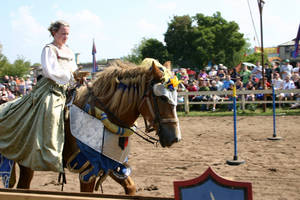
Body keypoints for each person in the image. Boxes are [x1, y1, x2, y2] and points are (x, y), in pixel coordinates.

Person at [0, 20, 78, 172]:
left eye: (68, 34)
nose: (66, 36)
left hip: (69, 87)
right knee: (52, 112)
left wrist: (77, 76)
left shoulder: (68, 50)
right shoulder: (49, 49)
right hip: (50, 88)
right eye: (63, 33)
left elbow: (73, 68)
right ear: (54, 33)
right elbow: (50, 71)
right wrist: (69, 76)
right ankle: (50, 154)